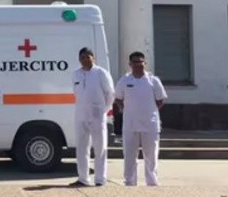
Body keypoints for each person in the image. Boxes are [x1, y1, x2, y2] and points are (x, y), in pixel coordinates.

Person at [114, 51, 168, 186]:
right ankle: (130, 183)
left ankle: (152, 183)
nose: (138, 65)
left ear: (145, 63)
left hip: (150, 124)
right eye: (135, 62)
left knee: (151, 156)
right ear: (130, 64)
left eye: (141, 62)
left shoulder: (153, 81)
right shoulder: (124, 81)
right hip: (130, 124)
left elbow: (160, 101)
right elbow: (118, 99)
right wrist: (126, 110)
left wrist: (149, 112)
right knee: (130, 157)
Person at [70, 47, 115, 187]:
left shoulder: (101, 73)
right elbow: (76, 93)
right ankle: (83, 178)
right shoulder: (76, 74)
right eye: (82, 57)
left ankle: (100, 179)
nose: (85, 60)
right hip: (81, 116)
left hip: (97, 116)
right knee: (82, 148)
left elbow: (110, 94)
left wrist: (103, 111)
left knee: (100, 148)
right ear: (79, 59)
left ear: (93, 58)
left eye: (87, 57)